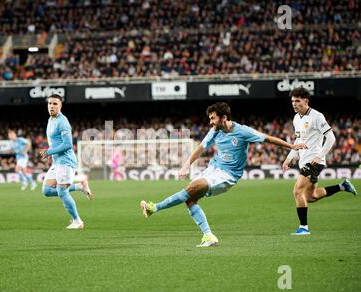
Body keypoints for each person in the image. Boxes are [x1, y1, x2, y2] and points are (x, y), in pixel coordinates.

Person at [140, 102, 306, 247]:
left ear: (224, 117)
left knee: (194, 187)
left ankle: (154, 207)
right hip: (212, 169)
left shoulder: (243, 131)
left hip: (228, 175)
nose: (210, 122)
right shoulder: (214, 131)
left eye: (213, 118)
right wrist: (186, 165)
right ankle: (208, 236)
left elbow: (268, 138)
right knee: (190, 199)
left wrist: (291, 146)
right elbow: (201, 147)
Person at [282, 87, 357, 236]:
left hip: (314, 161)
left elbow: (331, 138)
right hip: (304, 161)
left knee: (297, 191)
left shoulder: (317, 116)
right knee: (311, 196)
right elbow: (299, 140)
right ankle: (342, 186)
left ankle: (303, 227)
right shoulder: (297, 118)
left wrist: (319, 155)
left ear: (306, 101)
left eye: (297, 100)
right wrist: (289, 158)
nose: (294, 104)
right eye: (292, 101)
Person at [39, 94, 94, 230]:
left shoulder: (63, 122)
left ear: (60, 106)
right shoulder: (51, 119)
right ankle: (80, 186)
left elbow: (68, 144)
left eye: (55, 104)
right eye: (50, 103)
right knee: (46, 190)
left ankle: (77, 221)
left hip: (65, 161)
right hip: (57, 162)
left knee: (62, 192)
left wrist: (49, 152)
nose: (51, 106)